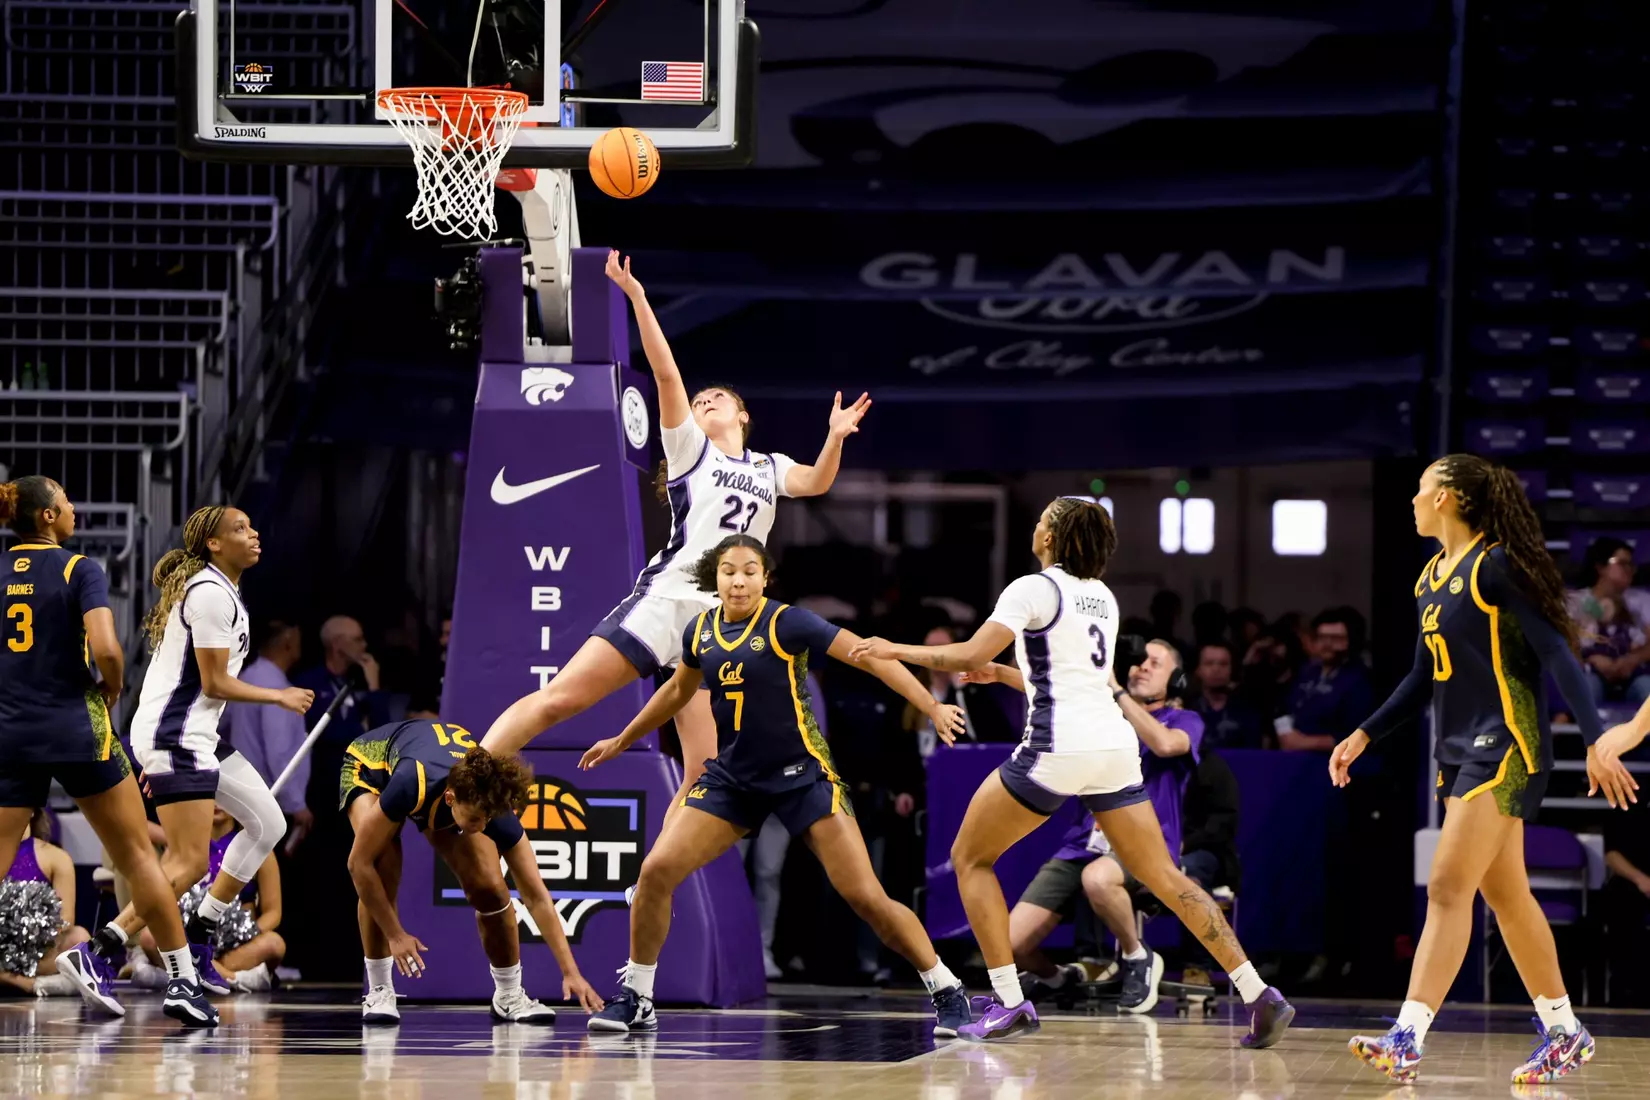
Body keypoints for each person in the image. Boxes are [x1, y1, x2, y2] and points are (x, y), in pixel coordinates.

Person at [849, 497, 1293, 1046]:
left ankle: (1010, 1001)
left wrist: (893, 648)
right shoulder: (1103, 597)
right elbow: (1074, 680)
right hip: (1112, 745)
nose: (1035, 524)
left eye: (1042, 519)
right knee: (1167, 877)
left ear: (1054, 535)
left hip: (1059, 748)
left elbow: (963, 656)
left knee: (969, 858)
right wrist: (1009, 677)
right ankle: (1258, 992)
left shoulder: (1032, 587)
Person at [481, 251, 871, 815]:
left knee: (701, 768)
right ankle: (468, 778)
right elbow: (666, 374)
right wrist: (638, 298)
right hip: (668, 601)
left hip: (721, 622)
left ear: (742, 415)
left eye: (717, 398)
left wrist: (834, 437)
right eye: (698, 400)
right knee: (560, 699)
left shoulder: (767, 466)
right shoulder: (691, 451)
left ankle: (657, 882)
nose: (703, 400)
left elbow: (813, 483)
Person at [576, 534, 972, 1036]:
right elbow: (678, 690)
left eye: (748, 570)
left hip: (800, 776)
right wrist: (623, 737)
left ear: (765, 578)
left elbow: (869, 657)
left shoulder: (788, 622)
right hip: (734, 778)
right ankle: (638, 994)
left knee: (865, 896)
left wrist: (932, 704)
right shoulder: (700, 631)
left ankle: (946, 987)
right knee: (656, 870)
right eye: (728, 571)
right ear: (715, 579)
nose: (738, 580)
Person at [1330, 454, 1640, 1085]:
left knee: (1447, 886)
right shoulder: (1429, 577)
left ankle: (1407, 1037)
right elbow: (1423, 677)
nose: (1412, 500)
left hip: (1507, 744)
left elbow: (1557, 651)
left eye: (1421, 490)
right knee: (1507, 895)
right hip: (1458, 749)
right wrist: (1365, 733)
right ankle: (1564, 1031)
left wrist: (1597, 738)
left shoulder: (1495, 565)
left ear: (1446, 498)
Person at [79, 504, 313, 1014]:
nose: (253, 535)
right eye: (239, 529)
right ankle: (102, 948)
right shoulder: (208, 593)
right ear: (213, 543)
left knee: (266, 823)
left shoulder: (222, 588)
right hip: (175, 733)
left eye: (253, 526)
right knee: (186, 861)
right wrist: (278, 697)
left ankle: (203, 932)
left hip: (196, 732)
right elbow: (213, 683)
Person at [0, 476, 217, 1026]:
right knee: (137, 855)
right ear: (47, 517)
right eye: (66, 500)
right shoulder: (79, 569)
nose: (73, 507)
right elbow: (107, 650)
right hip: (76, 727)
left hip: (10, 733)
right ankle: (183, 983)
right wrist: (113, 686)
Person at [979, 639, 1206, 1013]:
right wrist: (1000, 672)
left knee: (1098, 879)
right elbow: (1057, 691)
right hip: (1083, 842)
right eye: (1138, 661)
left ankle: (1138, 957)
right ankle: (1058, 980)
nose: (1142, 667)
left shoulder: (1184, 720)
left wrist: (1115, 690)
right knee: (1008, 944)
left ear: (1177, 679)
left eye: (1155, 663)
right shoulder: (1103, 714)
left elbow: (1165, 745)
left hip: (1144, 846)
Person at [341, 719, 602, 1025]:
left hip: (435, 779)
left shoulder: (491, 810)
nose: (483, 825)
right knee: (381, 867)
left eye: (488, 817)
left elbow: (537, 896)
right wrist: (395, 934)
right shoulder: (413, 783)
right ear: (452, 799)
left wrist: (570, 972)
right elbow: (357, 864)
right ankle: (380, 989)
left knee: (489, 888)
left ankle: (508, 995)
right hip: (371, 767)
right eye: (477, 819)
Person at [133, 806, 285, 993]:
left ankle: (182, 975)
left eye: (224, 798)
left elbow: (273, 912)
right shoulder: (181, 849)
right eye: (213, 797)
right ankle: (232, 979)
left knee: (275, 944)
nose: (217, 804)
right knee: (148, 937)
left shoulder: (258, 849)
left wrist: (246, 934)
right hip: (189, 942)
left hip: (236, 948)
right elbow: (163, 901)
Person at [225, 619, 314, 846]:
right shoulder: (277, 688)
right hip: (272, 802)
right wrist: (296, 804)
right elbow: (279, 749)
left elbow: (221, 727)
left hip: (243, 795)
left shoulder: (245, 679)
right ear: (287, 641)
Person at [0, 809, 88, 997]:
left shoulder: (56, 857)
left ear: (31, 810)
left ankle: (14, 980)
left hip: (40, 954)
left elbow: (66, 919)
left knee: (79, 937)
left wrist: (29, 932)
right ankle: (30, 984)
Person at [1277, 608, 1372, 752]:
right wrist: (1285, 733)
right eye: (1321, 637)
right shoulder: (1307, 672)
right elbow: (1284, 708)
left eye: (1335, 638)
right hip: (1298, 761)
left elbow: (1359, 736)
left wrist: (1304, 742)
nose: (1327, 644)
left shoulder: (1360, 680)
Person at [1569, 538, 1650, 706]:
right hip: (1590, 671)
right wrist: (1589, 659)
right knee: (1586, 687)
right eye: (1622, 563)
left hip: (1635, 672)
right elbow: (1564, 643)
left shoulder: (1643, 600)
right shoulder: (1575, 601)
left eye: (1631, 565)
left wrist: (1631, 660)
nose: (1629, 570)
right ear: (1601, 567)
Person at [1193, 642, 1267, 750]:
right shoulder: (1185, 710)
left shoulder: (1247, 711)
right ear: (1198, 670)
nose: (1216, 669)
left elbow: (1254, 755)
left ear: (1231, 669)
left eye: (1223, 664)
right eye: (1209, 663)